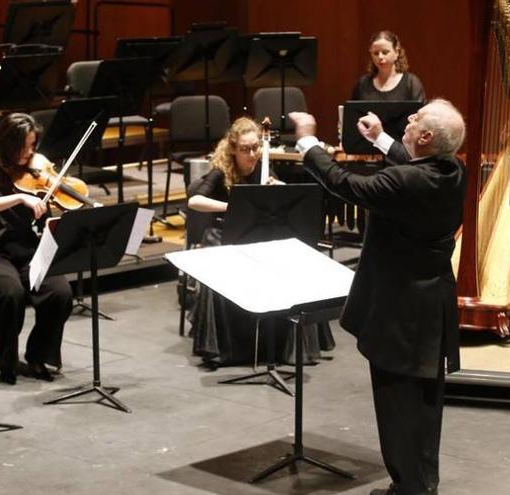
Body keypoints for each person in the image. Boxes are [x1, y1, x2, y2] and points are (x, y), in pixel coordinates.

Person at [290, 99, 467, 495]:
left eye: (416, 118)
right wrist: (382, 140)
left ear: (424, 136)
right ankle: (420, 484)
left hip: (399, 311)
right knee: (423, 406)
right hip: (430, 304)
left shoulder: (404, 183)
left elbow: (345, 183)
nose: (410, 117)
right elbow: (414, 164)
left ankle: (410, 489)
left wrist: (307, 141)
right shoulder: (453, 169)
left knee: (397, 407)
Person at [186, 117, 334, 367]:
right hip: (226, 237)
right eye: (245, 149)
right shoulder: (221, 171)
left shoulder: (263, 169)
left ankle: (288, 343)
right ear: (233, 148)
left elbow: (278, 202)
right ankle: (230, 347)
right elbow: (194, 201)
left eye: (256, 147)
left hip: (256, 237)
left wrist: (279, 187)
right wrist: (232, 206)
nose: (252, 154)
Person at [0, 113, 73, 385]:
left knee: (59, 292)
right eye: (25, 146)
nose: (30, 152)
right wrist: (19, 197)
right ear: (9, 143)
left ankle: (39, 355)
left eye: (33, 145)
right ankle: (6, 362)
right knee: (10, 293)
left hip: (28, 249)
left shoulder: (36, 170)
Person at [351, 30, 425, 102]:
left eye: (385, 52)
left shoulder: (411, 83)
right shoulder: (362, 84)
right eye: (376, 53)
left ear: (396, 52)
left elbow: (421, 113)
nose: (380, 57)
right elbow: (352, 113)